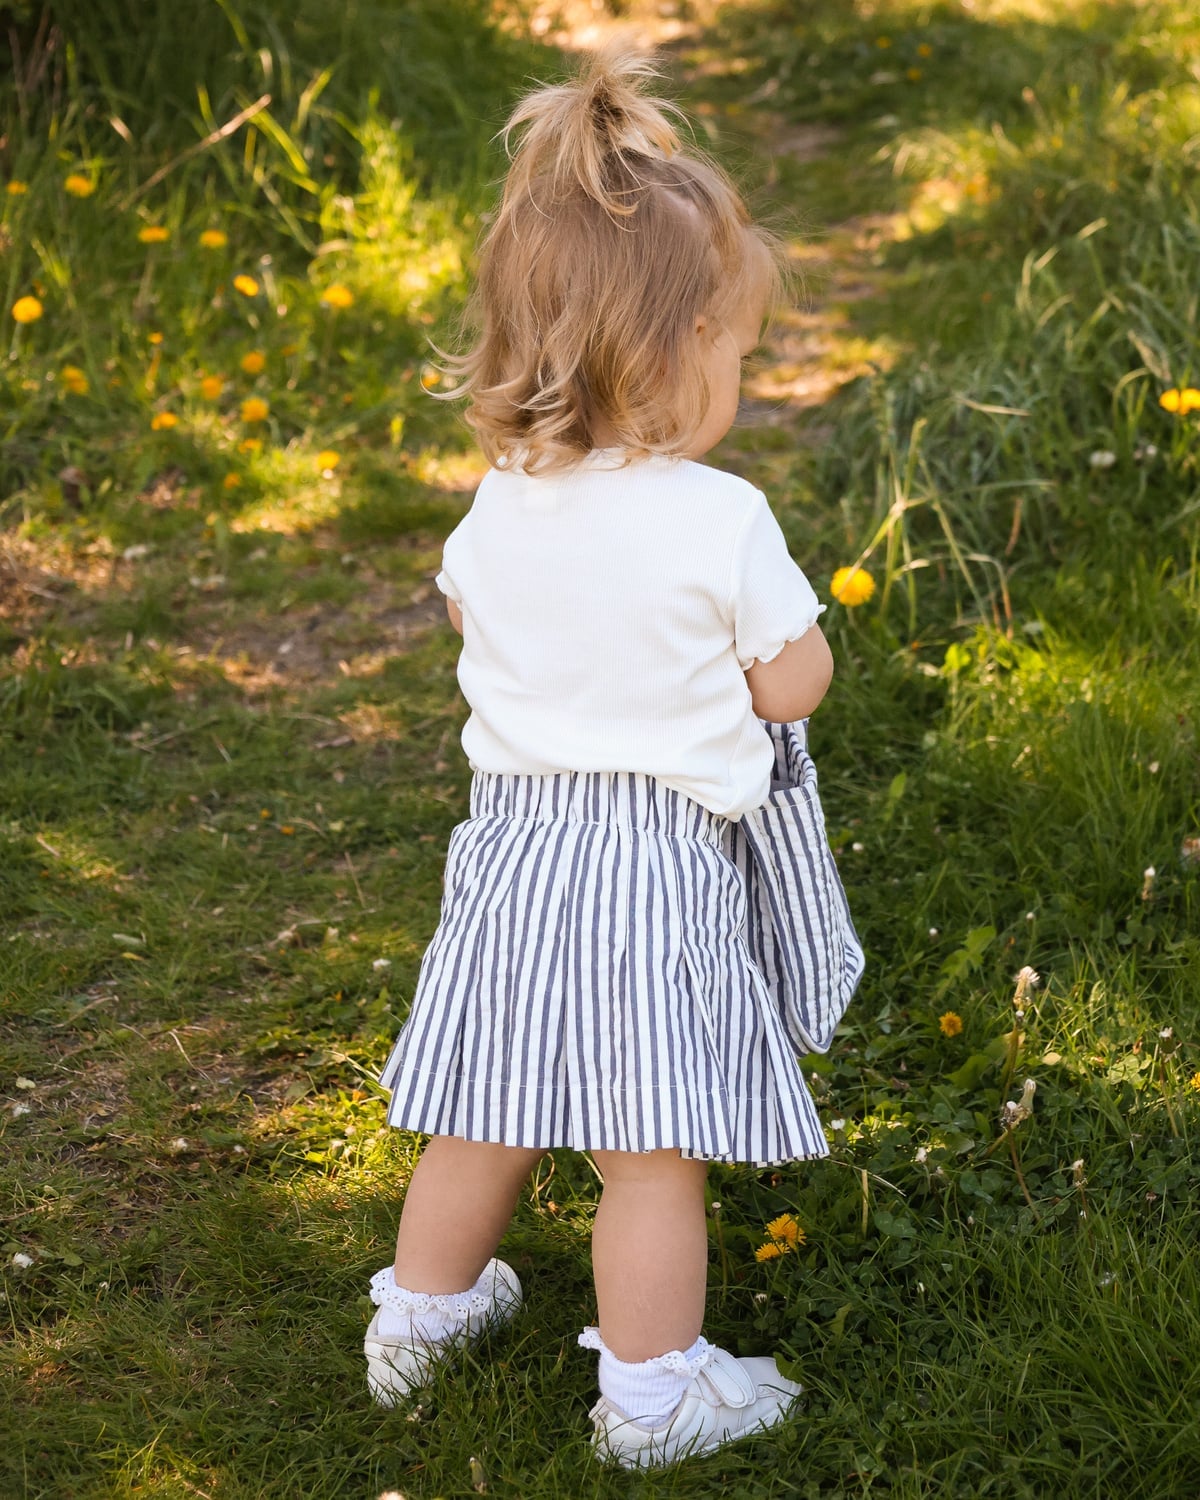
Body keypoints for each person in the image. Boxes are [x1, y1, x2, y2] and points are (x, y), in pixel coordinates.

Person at [363, 45, 841, 1469]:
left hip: (511, 846)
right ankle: (652, 1396)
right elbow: (794, 676)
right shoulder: (720, 518)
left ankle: (422, 1315)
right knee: (648, 1148)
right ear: (674, 346)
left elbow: (464, 607)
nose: (740, 381)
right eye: (736, 352)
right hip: (652, 860)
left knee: (487, 1097)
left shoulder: (500, 500)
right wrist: (758, 673)